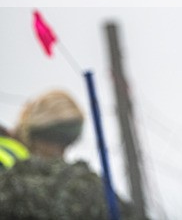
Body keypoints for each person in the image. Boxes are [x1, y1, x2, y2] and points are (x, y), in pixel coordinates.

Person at [0, 89, 140, 219]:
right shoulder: (10, 164)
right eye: (57, 143)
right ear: (40, 134)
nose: (61, 154)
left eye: (68, 145)